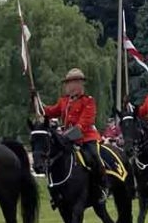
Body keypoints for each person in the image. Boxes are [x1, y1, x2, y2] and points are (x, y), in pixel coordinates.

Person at [39, 68, 108, 203]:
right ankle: (55, 191)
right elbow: (50, 112)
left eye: (74, 83)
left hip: (86, 138)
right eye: (68, 83)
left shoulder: (88, 101)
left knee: (94, 157)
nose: (70, 86)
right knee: (52, 159)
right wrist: (37, 103)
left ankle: (102, 186)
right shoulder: (64, 101)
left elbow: (85, 122)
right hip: (66, 140)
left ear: (80, 84)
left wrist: (70, 134)